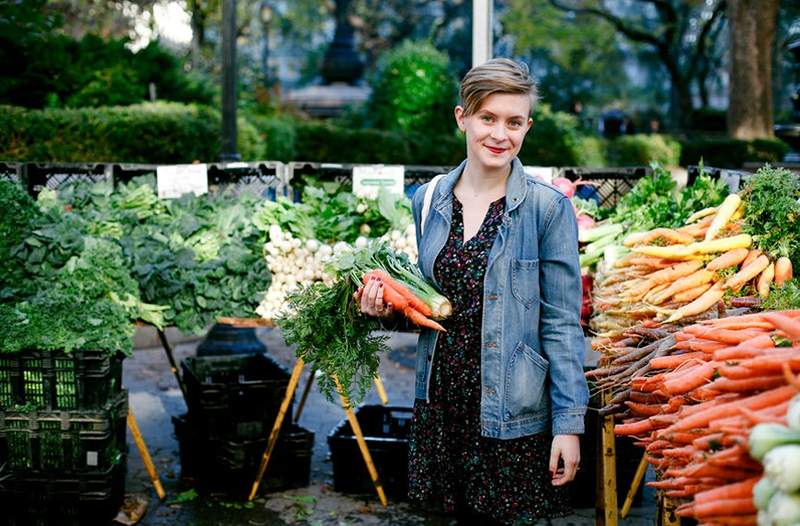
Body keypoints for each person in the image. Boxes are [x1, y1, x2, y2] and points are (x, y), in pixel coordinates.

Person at [356, 58, 588, 525]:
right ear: (462, 117)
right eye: (488, 118)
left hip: (510, 414)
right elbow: (433, 309)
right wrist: (382, 310)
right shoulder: (428, 199)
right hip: (440, 408)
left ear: (527, 127)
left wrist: (569, 425)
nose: (500, 134)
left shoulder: (548, 210)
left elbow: (563, 324)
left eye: (514, 122)